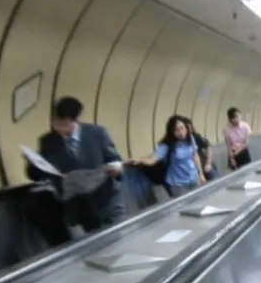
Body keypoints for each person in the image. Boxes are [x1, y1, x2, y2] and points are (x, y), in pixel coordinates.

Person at [26, 96, 125, 233]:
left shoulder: (98, 133)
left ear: (76, 120)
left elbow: (114, 158)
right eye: (58, 123)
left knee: (119, 238)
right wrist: (32, 164)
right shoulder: (48, 142)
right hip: (79, 205)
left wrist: (116, 168)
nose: (61, 128)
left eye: (66, 124)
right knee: (97, 246)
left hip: (106, 199)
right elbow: (38, 175)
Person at [127, 115, 206, 197]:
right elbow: (152, 160)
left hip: (193, 178)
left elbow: (195, 156)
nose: (181, 132)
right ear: (172, 132)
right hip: (178, 183)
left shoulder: (190, 139)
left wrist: (201, 174)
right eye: (177, 130)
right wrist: (140, 159)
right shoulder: (167, 145)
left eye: (182, 128)